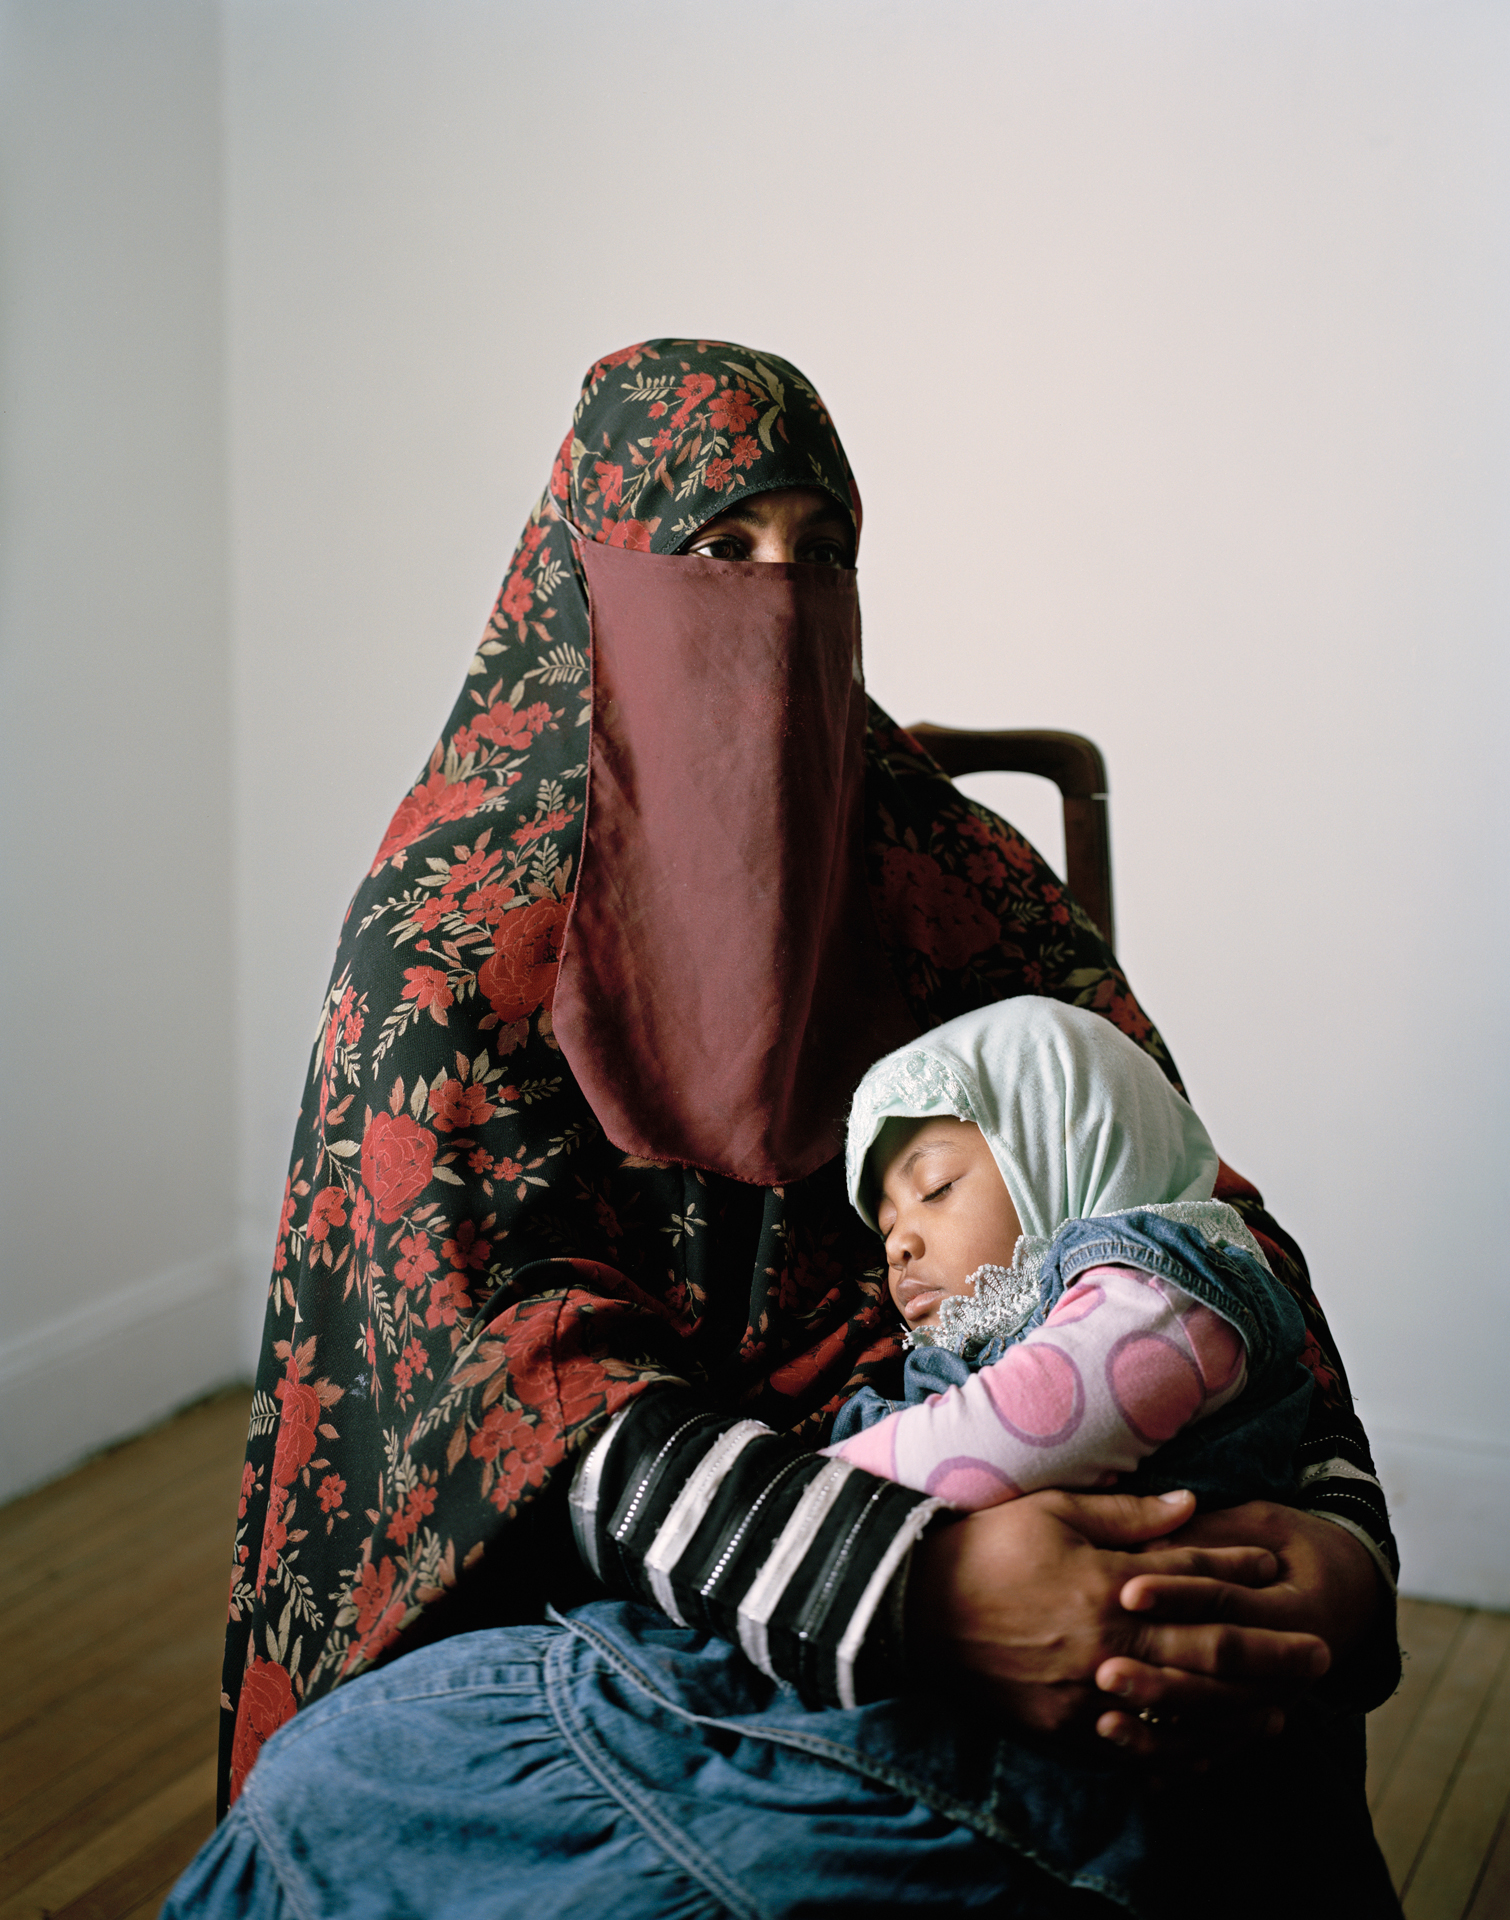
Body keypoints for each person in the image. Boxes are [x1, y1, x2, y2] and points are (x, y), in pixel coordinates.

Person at [182, 340, 1400, 1916]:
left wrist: (1339, 1548)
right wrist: (922, 1589)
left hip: (1084, 1520)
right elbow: (512, 1385)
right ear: (592, 580)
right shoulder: (454, 937)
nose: (772, 601)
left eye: (818, 555)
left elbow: (1193, 1214)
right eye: (714, 550)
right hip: (647, 1598)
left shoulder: (948, 881)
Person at [823, 997, 1319, 1517]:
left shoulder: (1166, 1290)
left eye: (936, 1188)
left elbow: (999, 1433)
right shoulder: (970, 1346)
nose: (898, 1246)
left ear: (1065, 1150)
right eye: (886, 1223)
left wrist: (810, 1497)